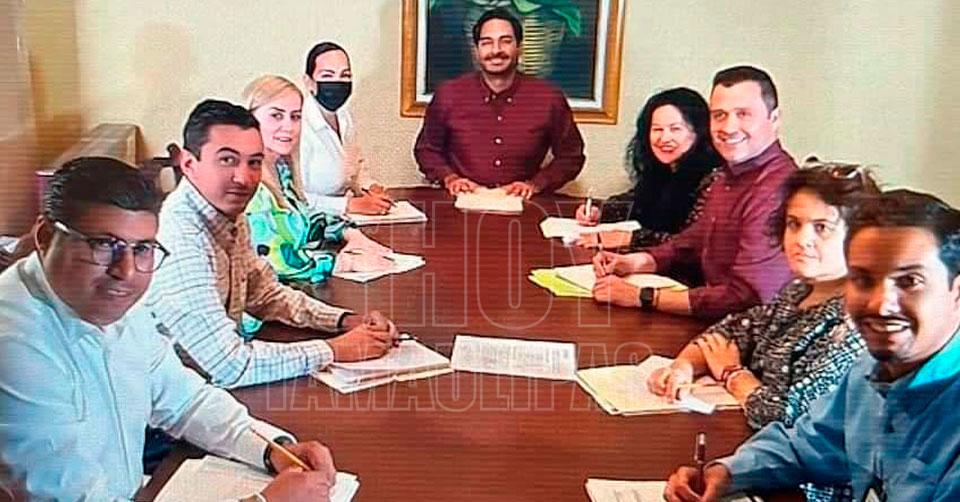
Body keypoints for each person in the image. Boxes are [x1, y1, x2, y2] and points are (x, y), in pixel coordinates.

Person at [0, 157, 336, 500]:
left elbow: (186, 400)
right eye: (103, 245)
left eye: (142, 249)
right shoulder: (15, 347)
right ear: (45, 236)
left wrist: (273, 448)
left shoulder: (110, 304)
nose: (126, 272)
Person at [663, 189, 960, 502]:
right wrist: (727, 473)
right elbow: (807, 445)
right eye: (862, 280)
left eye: (909, 282)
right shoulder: (870, 372)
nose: (881, 304)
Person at [649, 162, 877, 502]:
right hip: (755, 460)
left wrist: (732, 374)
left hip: (802, 490)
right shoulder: (798, 291)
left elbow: (795, 419)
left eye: (822, 228)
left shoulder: (853, 323)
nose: (802, 239)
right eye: (794, 224)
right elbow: (734, 329)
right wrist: (683, 365)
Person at [145, 99, 399, 389]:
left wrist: (343, 320)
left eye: (254, 162)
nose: (243, 178)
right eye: (227, 160)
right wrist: (336, 349)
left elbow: (264, 295)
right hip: (171, 402)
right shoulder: (180, 240)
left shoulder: (226, 214)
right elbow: (231, 365)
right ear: (189, 164)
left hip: (206, 391)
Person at [592, 65, 796, 319]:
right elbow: (692, 242)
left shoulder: (777, 187)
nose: (729, 127)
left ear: (774, 119)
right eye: (719, 115)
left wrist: (643, 296)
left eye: (743, 114)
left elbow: (747, 297)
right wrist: (635, 261)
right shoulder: (728, 175)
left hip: (747, 331)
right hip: (714, 319)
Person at [414, 7, 586, 198]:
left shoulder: (548, 98)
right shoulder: (449, 94)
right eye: (487, 43)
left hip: (522, 204)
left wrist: (536, 184)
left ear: (519, 47)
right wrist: (450, 178)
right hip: (460, 202)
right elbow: (426, 150)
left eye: (505, 41)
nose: (496, 50)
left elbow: (571, 157)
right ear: (476, 50)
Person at [243, 75, 393, 285]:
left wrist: (349, 233)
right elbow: (272, 259)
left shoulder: (281, 170)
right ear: (250, 120)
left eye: (295, 117)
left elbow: (305, 220)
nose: (289, 126)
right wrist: (342, 263)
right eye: (276, 116)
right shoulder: (248, 186)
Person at [574, 87, 722, 249]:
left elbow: (693, 244)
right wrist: (599, 212)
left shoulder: (714, 179)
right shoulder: (664, 170)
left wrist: (632, 238)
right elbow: (636, 202)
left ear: (699, 133)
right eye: (657, 129)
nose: (664, 138)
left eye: (675, 129)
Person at [299, 41, 393, 215]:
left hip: (344, 221)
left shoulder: (344, 117)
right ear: (309, 82)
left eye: (345, 75)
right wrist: (348, 205)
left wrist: (371, 187)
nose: (338, 82)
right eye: (327, 76)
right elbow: (292, 197)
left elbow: (355, 167)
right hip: (309, 222)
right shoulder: (298, 125)